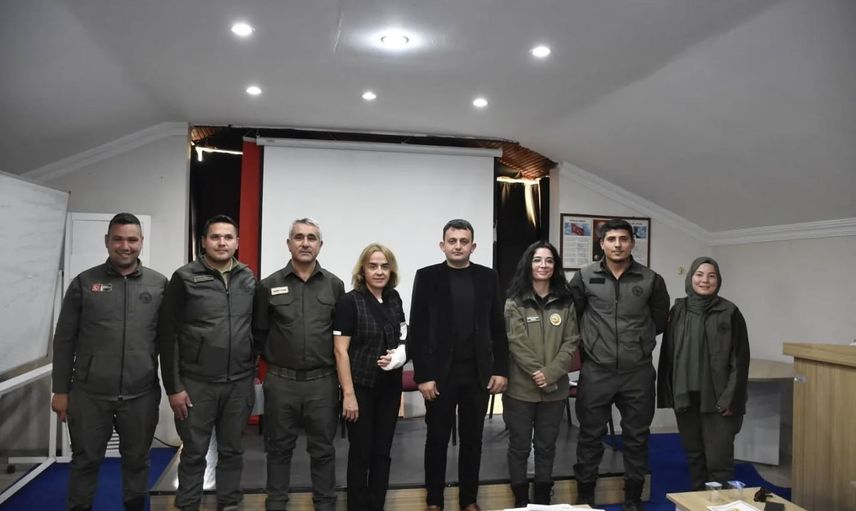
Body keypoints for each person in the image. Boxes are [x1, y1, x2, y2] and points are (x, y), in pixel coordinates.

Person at [51, 212, 167, 511]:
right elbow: (64, 340)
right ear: (107, 241)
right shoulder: (84, 282)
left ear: (141, 242)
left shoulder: (158, 285)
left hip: (141, 394)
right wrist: (60, 390)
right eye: (118, 239)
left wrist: (173, 386)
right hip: (89, 395)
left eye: (132, 240)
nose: (125, 246)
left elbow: (168, 342)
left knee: (138, 461)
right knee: (85, 462)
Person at [569, 218, 670, 511]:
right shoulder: (584, 276)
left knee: (636, 437)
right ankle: (585, 498)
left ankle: (633, 499)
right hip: (596, 370)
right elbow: (573, 316)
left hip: (637, 372)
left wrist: (636, 343)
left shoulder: (651, 279)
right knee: (590, 436)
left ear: (632, 243)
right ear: (602, 244)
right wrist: (592, 345)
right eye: (611, 239)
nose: (617, 245)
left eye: (623, 239)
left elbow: (659, 320)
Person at [158, 214, 257, 511]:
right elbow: (168, 335)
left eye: (228, 237)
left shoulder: (248, 277)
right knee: (194, 452)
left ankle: (229, 503)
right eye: (215, 237)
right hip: (196, 384)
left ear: (237, 242)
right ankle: (188, 504)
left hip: (238, 383)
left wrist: (251, 368)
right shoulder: (184, 278)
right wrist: (174, 387)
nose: (222, 242)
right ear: (203, 242)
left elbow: (255, 328)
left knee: (232, 450)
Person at [409, 219, 509, 511]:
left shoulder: (488, 277)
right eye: (452, 241)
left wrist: (501, 369)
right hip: (439, 375)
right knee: (436, 440)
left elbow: (498, 326)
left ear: (473, 246)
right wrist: (423, 375)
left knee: (473, 441)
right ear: (442, 245)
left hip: (477, 374)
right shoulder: (427, 277)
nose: (457, 246)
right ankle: (434, 501)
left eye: (464, 241)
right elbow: (418, 329)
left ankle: (469, 500)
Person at [254, 218, 345, 511]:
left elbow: (341, 335)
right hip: (282, 382)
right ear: (289, 243)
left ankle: (326, 504)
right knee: (278, 449)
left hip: (323, 382)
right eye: (299, 237)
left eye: (311, 238)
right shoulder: (268, 285)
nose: (305, 243)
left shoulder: (334, 285)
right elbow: (259, 333)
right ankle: (276, 504)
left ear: (320, 245)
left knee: (323, 450)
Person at [657, 257, 750, 490]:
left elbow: (740, 360)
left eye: (711, 276)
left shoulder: (729, 312)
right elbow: (668, 353)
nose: (705, 280)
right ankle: (698, 499)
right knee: (694, 456)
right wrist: (668, 392)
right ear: (690, 277)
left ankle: (719, 503)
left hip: (718, 400)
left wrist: (731, 399)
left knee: (719, 460)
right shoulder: (678, 310)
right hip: (685, 397)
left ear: (718, 280)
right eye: (699, 274)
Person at [503, 241, 580, 507]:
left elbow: (571, 341)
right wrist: (540, 374)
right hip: (520, 390)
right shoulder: (515, 302)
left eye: (549, 260)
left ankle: (543, 498)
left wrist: (551, 374)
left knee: (547, 446)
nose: (543, 265)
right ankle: (520, 500)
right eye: (537, 260)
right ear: (528, 264)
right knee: (520, 446)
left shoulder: (566, 302)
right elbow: (516, 342)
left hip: (555, 390)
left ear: (555, 266)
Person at [333, 243, 408, 511]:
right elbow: (340, 351)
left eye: (384, 266)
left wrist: (399, 355)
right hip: (360, 389)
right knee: (361, 453)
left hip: (389, 388)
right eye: (373, 266)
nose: (379, 271)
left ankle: (377, 505)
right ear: (362, 270)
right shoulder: (349, 302)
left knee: (382, 453)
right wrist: (348, 395)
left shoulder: (394, 298)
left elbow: (403, 335)